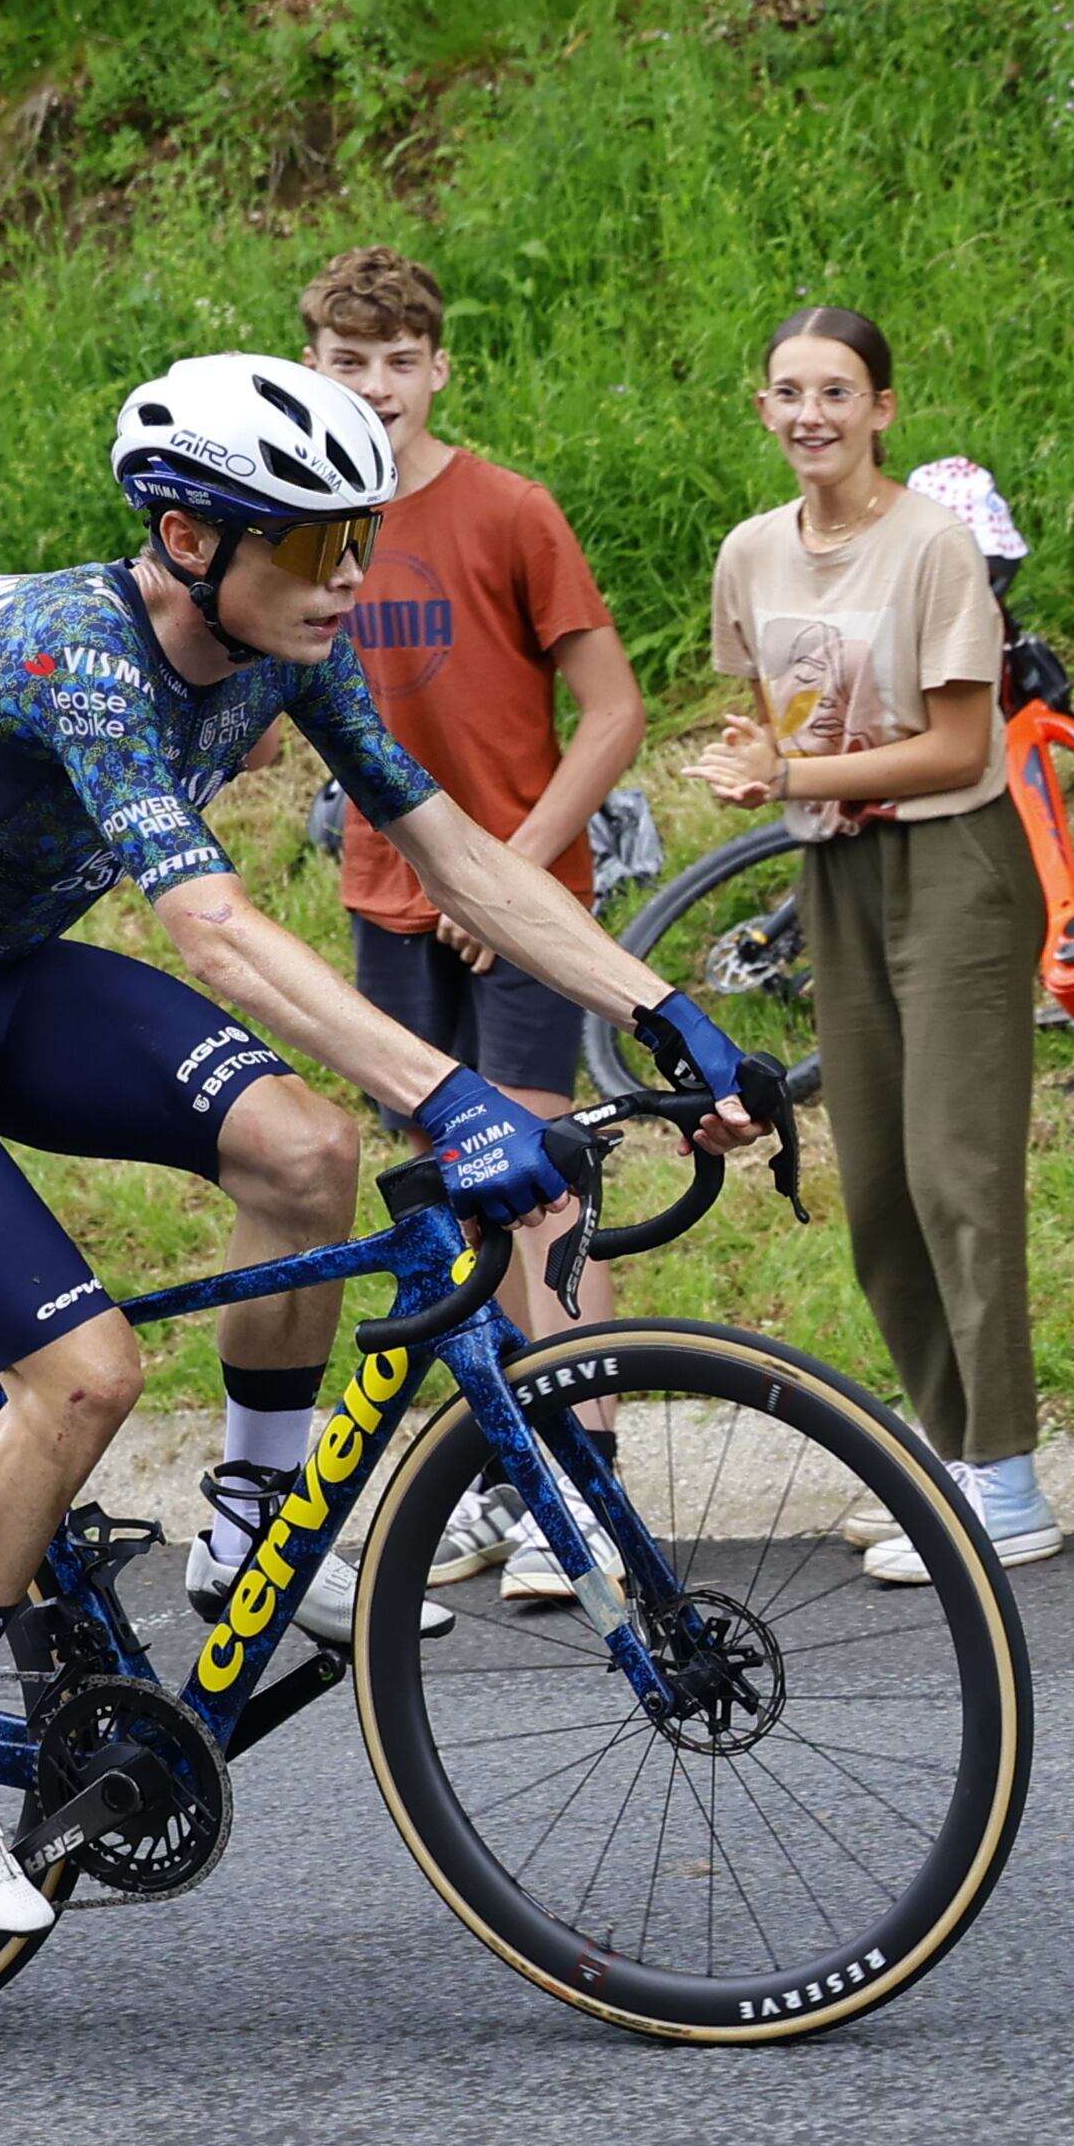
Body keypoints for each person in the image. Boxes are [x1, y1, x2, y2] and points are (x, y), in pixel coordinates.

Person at [0, 353, 759, 1935]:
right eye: (314, 547)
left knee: (300, 1152)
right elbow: (209, 925)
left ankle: (250, 1527)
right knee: (81, 1371)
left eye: (361, 538)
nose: (352, 578)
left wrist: (662, 1004)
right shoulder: (84, 652)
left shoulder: (285, 649)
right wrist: (450, 1090)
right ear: (191, 538)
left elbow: (457, 854)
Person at [296, 242, 651, 1602]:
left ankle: (584, 1472)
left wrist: (507, 871)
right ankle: (495, 1474)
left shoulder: (508, 509)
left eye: (400, 360)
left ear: (438, 367)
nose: (377, 386)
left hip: (520, 898)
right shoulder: (304, 522)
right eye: (349, 361)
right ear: (313, 371)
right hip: (387, 902)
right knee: (443, 1203)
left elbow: (613, 715)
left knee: (544, 1180)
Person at [691, 306, 1055, 1579]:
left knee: (960, 1168)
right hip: (834, 866)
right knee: (880, 1185)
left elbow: (964, 745)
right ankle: (945, 1439)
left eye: (837, 392)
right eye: (789, 391)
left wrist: (791, 766)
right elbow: (776, 719)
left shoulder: (933, 544)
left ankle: (1005, 1474)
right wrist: (763, 767)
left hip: (956, 861)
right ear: (764, 408)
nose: (812, 415)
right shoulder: (750, 554)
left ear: (881, 408)